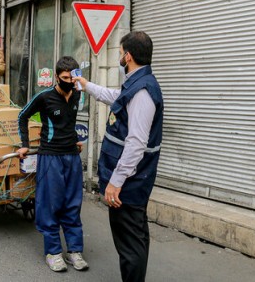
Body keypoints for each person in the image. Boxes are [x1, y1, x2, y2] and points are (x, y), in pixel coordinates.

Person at [73, 31, 164, 282]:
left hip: (130, 183)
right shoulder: (137, 82)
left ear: (128, 56)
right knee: (134, 238)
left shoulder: (144, 91)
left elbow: (136, 143)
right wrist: (87, 85)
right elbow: (117, 98)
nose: (119, 57)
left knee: (130, 245)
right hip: (133, 181)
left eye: (120, 52)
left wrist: (116, 181)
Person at [17, 56, 89, 273]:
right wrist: (24, 145)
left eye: (73, 77)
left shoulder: (78, 95)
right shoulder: (44, 97)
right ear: (57, 77)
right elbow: (22, 116)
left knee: (73, 204)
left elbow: (69, 122)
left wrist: (73, 140)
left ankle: (74, 251)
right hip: (50, 158)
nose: (70, 81)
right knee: (50, 204)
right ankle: (53, 252)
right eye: (65, 77)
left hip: (71, 156)